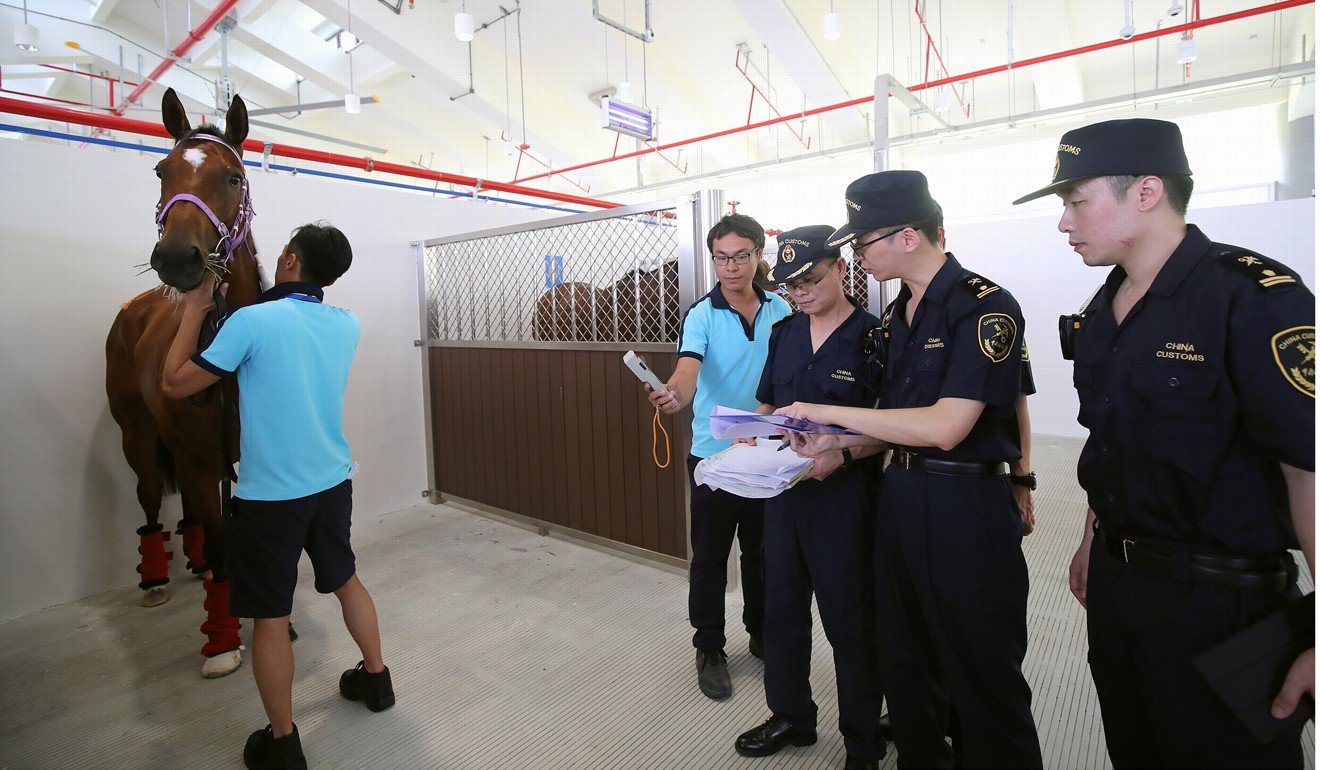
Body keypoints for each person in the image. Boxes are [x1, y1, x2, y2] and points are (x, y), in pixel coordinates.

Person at [1013, 117, 1314, 768]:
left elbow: (1307, 468)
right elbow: (1112, 443)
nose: (1065, 223)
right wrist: (1095, 539)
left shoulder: (1253, 297)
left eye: (1075, 202)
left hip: (1224, 604)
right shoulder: (1102, 311)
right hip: (1122, 593)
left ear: (1145, 192)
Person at [776, 170, 1043, 768]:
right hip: (899, 496)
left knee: (980, 667)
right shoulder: (898, 319)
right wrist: (838, 447)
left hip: (964, 505)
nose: (857, 255)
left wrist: (1023, 478)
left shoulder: (985, 307)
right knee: (904, 658)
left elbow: (948, 425)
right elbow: (890, 422)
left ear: (906, 236)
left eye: (861, 242)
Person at [162, 222, 394, 770]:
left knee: (269, 619)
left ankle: (283, 742)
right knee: (345, 579)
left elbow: (174, 384)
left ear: (288, 259)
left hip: (271, 499)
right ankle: (377, 681)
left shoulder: (251, 322)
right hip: (332, 483)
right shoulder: (346, 323)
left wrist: (196, 307)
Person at [731, 226, 887, 770]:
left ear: (842, 268)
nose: (800, 293)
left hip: (844, 499)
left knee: (850, 622)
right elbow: (774, 406)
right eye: (791, 285)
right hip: (785, 494)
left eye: (811, 280)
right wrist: (754, 427)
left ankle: (863, 742)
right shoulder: (785, 332)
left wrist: (841, 452)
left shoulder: (874, 336)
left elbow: (889, 429)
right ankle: (792, 716)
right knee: (781, 611)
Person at [646, 213, 793, 700]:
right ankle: (709, 645)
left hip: (766, 451)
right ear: (713, 261)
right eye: (721, 258)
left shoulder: (781, 309)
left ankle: (759, 631)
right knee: (709, 557)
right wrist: (674, 394)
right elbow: (688, 370)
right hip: (714, 457)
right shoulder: (702, 314)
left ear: (758, 257)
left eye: (740, 256)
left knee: (763, 552)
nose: (731, 267)